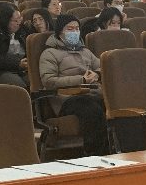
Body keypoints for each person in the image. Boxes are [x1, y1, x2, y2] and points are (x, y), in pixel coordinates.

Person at [40, 14, 107, 156]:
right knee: (92, 111)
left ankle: (116, 151)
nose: (75, 32)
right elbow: (49, 81)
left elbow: (104, 67)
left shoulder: (85, 51)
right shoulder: (49, 53)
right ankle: (94, 154)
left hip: (91, 93)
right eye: (70, 29)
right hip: (66, 98)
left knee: (113, 106)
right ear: (60, 32)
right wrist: (81, 80)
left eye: (77, 29)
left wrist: (97, 74)